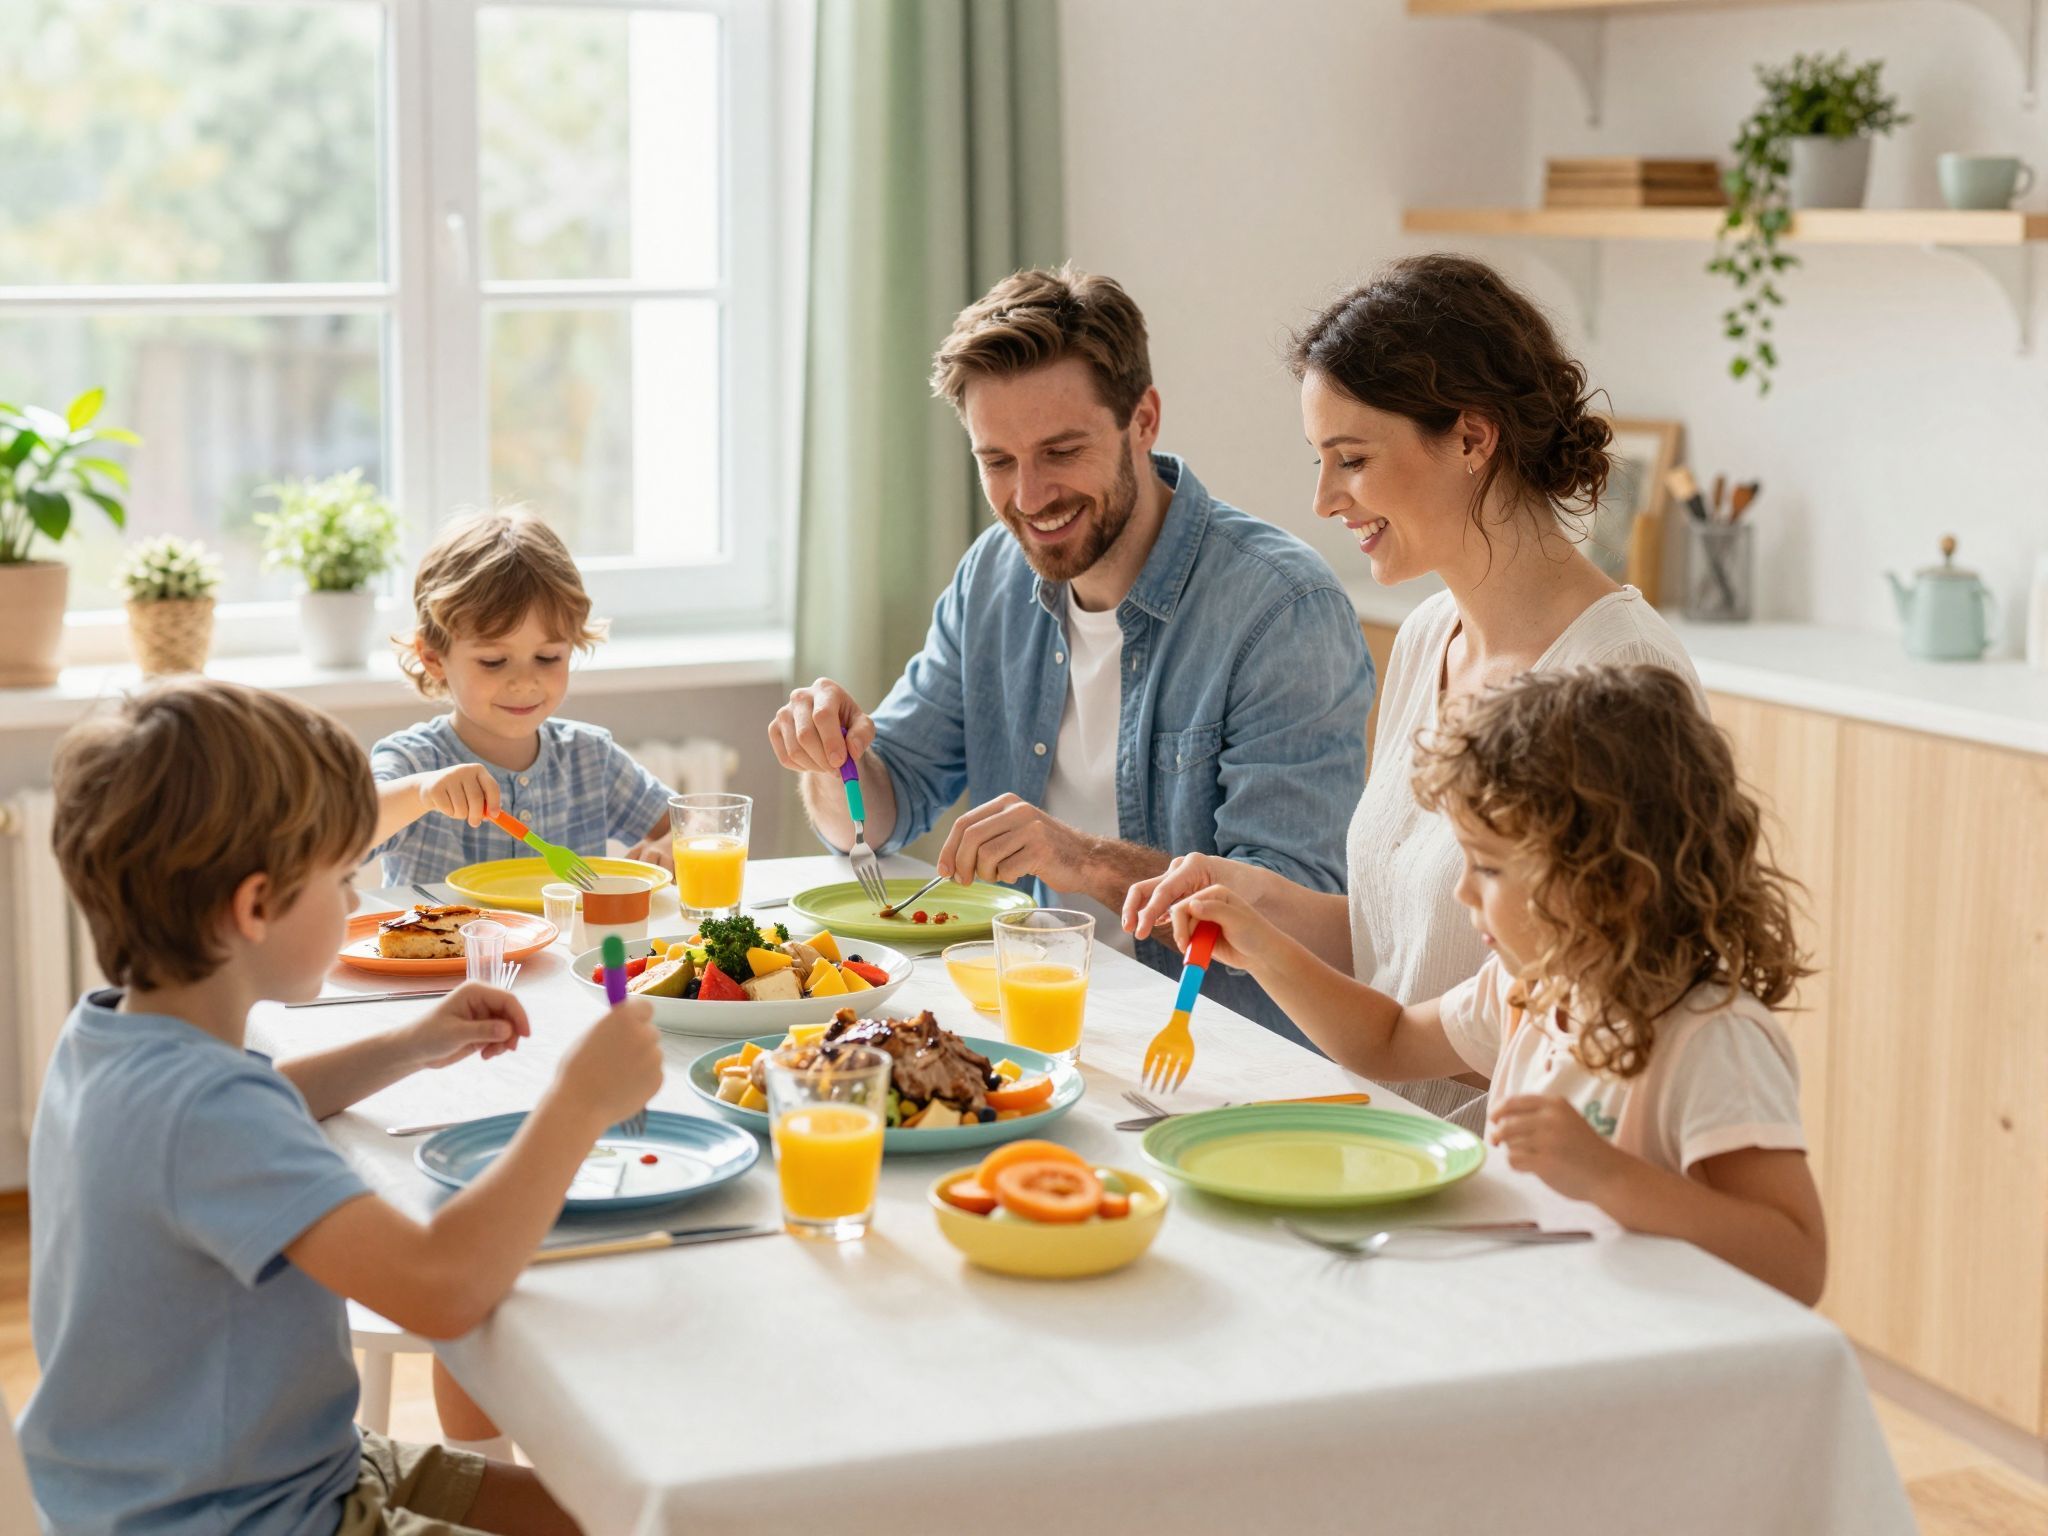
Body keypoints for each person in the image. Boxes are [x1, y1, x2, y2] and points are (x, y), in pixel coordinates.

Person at [24, 677, 661, 1534]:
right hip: (243, 1514)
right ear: (255, 907)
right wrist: (580, 1103)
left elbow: (261, 1104)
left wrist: (409, 1045)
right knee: (629, 1516)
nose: (357, 901)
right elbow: (445, 1289)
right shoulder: (206, 1115)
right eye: (343, 879)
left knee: (615, 1514)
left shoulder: (116, 1042)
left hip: (272, 1466)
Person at [1128, 254, 1699, 1113]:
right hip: (1383, 1147)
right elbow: (1402, 945)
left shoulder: (1622, 678)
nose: (1323, 499)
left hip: (1520, 1188)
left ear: (1472, 438)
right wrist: (1260, 902)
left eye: (1350, 458)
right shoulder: (1431, 634)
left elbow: (1606, 1039)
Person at [769, 265, 1374, 1042]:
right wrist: (830, 762)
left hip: (1207, 1053)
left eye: (1060, 450)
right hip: (1027, 1026)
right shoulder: (993, 574)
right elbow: (877, 816)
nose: (1029, 496)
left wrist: (1080, 859)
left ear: (1144, 420)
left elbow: (1298, 924)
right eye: (997, 461)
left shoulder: (1280, 610)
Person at [1161, 666, 1826, 1304]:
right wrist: (1265, 948)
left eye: (1490, 868)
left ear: (1612, 880)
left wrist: (1606, 1175)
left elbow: (1795, 1261)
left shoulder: (1715, 1038)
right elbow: (1387, 1042)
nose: (1461, 890)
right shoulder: (1531, 986)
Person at [371, 509, 676, 887]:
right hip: (446, 947)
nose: (524, 682)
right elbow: (340, 837)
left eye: (548, 658)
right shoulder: (413, 762)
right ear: (433, 658)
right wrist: (420, 793)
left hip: (569, 948)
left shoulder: (590, 758)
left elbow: (692, 823)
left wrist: (671, 845)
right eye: (494, 661)